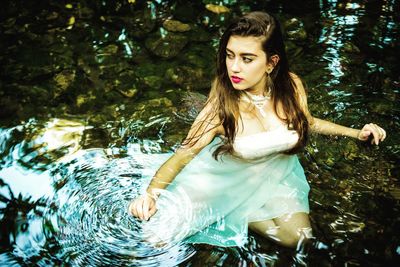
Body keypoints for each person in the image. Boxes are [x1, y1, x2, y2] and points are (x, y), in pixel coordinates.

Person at [128, 11, 386, 248]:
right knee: (155, 238)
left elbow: (308, 122)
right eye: (230, 55)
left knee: (299, 239)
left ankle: (239, 211)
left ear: (271, 62)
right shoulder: (220, 107)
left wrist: (355, 133)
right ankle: (232, 208)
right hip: (224, 182)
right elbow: (183, 154)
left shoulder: (291, 86)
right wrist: (151, 195)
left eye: (247, 58)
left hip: (276, 173)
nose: (234, 67)